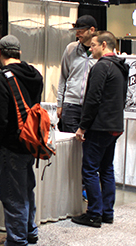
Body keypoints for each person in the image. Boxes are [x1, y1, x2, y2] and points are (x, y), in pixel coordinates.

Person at [0, 35, 43, 245]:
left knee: (12, 196)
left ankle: (18, 240)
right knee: (27, 189)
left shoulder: (1, 79)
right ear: (19, 53)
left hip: (11, 145)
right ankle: (30, 231)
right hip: (31, 141)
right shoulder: (36, 76)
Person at [72, 31, 129, 228]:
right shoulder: (121, 67)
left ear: (104, 45)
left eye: (94, 45)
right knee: (106, 169)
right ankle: (107, 212)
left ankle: (94, 213)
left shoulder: (101, 67)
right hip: (115, 126)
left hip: (100, 126)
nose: (90, 49)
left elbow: (92, 99)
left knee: (89, 169)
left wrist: (82, 127)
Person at [57, 15, 98, 133]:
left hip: (91, 106)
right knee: (70, 142)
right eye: (76, 32)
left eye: (80, 32)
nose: (77, 35)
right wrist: (60, 103)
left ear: (92, 30)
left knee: (88, 143)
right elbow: (63, 77)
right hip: (70, 104)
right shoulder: (70, 49)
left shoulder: (100, 53)